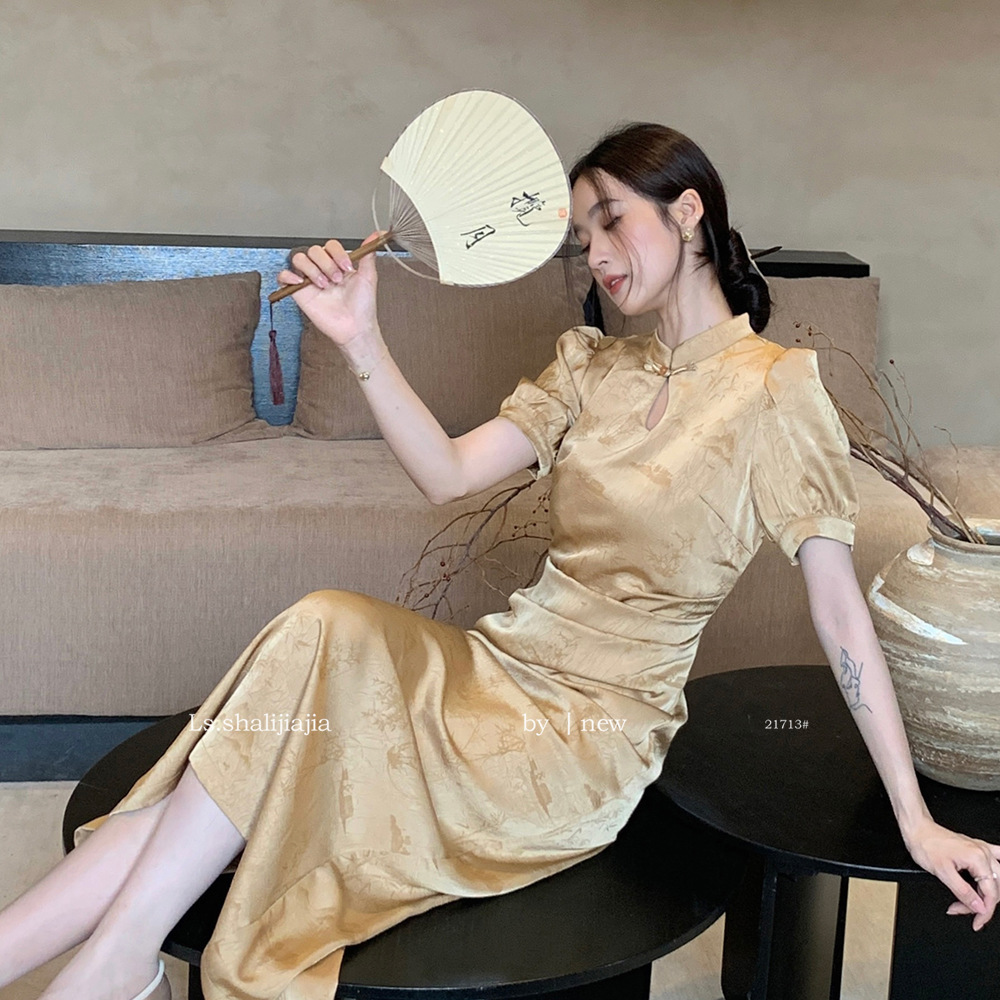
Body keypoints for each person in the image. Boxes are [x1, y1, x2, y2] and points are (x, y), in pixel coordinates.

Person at [2, 123, 997, 1000]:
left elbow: (837, 612)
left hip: (583, 735)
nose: (595, 254)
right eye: (581, 237)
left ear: (688, 211)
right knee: (318, 626)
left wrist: (913, 819)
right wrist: (359, 338)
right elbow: (445, 473)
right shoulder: (590, 366)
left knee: (260, 739)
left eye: (611, 221)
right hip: (491, 668)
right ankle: (93, 966)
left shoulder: (777, 390)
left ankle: (108, 969)